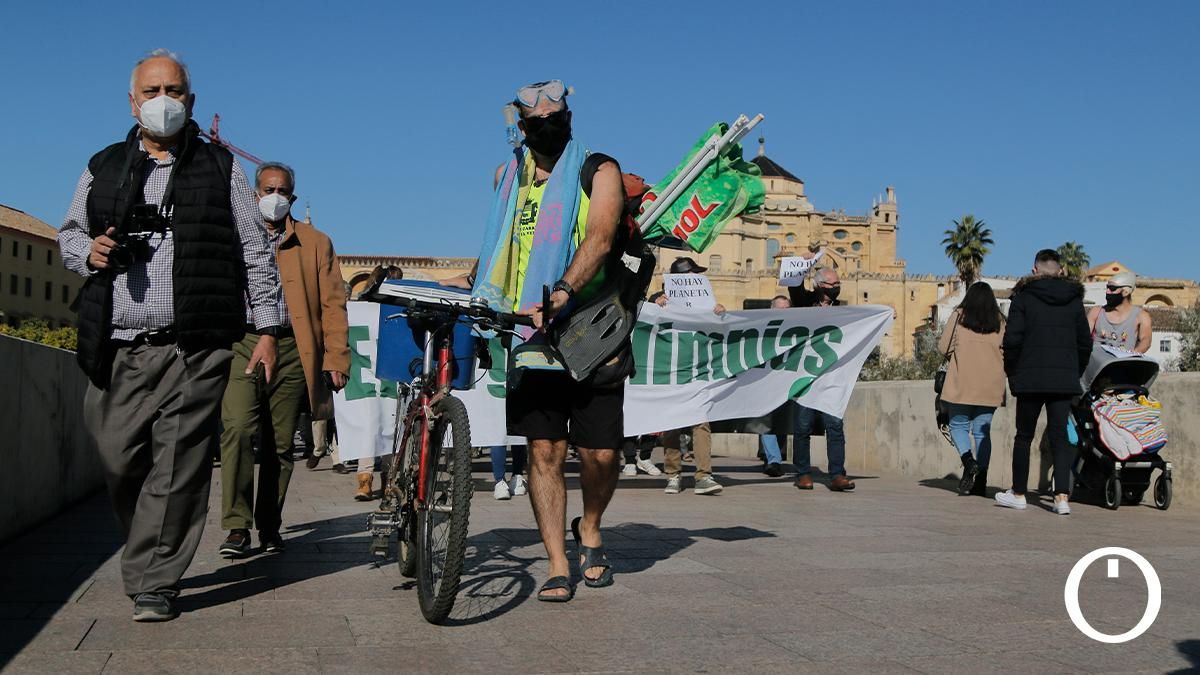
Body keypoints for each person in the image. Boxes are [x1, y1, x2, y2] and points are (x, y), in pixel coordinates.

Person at [57, 50, 283, 622]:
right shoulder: (103, 165)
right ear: (132, 102)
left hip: (197, 343)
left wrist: (266, 329)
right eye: (152, 90)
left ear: (192, 100)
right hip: (117, 344)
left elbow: (254, 252)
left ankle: (156, 579)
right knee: (118, 459)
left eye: (175, 90)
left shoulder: (223, 169)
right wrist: (92, 252)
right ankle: (148, 548)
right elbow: (68, 237)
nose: (164, 100)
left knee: (180, 463)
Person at [444, 80, 626, 601]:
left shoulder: (599, 170)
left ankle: (589, 526)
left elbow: (600, 237)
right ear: (520, 128)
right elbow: (503, 243)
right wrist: (473, 281)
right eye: (536, 122)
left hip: (592, 329)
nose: (547, 128)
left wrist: (564, 291)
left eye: (556, 117)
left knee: (602, 455)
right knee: (544, 449)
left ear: (569, 117)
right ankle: (556, 561)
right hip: (528, 333)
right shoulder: (507, 179)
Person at [217, 162, 350, 557]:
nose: (274, 197)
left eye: (283, 191)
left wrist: (337, 357)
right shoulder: (231, 234)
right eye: (267, 189)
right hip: (243, 339)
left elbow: (333, 303)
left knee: (279, 443)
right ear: (254, 193)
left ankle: (269, 525)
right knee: (237, 428)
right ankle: (237, 526)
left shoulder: (316, 242)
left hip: (294, 347)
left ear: (292, 196)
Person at [998, 249, 1092, 515]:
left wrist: (1012, 373)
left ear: (1035, 269)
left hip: (1030, 377)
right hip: (1063, 379)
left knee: (1024, 436)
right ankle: (1062, 498)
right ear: (1060, 270)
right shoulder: (1074, 301)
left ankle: (1018, 493)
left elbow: (1012, 340)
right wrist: (1074, 371)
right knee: (1060, 437)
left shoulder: (1023, 298)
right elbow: (1085, 343)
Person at [659, 257, 725, 495]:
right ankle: (673, 474)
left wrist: (720, 313)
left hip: (698, 369)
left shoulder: (706, 302)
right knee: (672, 424)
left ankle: (703, 475)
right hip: (671, 370)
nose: (698, 277)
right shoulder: (660, 301)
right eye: (694, 273)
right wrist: (656, 305)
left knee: (701, 422)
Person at [788, 267, 854, 491]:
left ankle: (837, 474)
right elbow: (793, 283)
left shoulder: (843, 310)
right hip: (805, 375)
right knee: (803, 425)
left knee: (834, 425)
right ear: (818, 286)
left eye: (838, 284)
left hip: (832, 375)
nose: (836, 288)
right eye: (831, 285)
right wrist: (803, 263)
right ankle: (803, 474)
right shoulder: (803, 302)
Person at [937, 282, 1006, 496]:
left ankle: (968, 461)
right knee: (982, 431)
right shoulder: (1000, 321)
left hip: (962, 381)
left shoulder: (960, 316)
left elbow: (943, 347)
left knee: (958, 425)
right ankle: (981, 481)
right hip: (991, 384)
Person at [759, 295, 792, 477]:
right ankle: (774, 460)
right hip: (766, 381)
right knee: (766, 420)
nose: (783, 313)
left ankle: (773, 456)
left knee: (781, 421)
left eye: (787, 309)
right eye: (780, 309)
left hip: (787, 380)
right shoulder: (763, 328)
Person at [1088, 271, 1152, 353]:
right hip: (1098, 364)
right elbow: (1082, 337)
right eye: (1107, 288)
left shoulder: (1141, 316)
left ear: (1126, 292)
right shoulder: (1096, 312)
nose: (1107, 292)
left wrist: (1132, 356)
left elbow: (1146, 341)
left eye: (1112, 289)